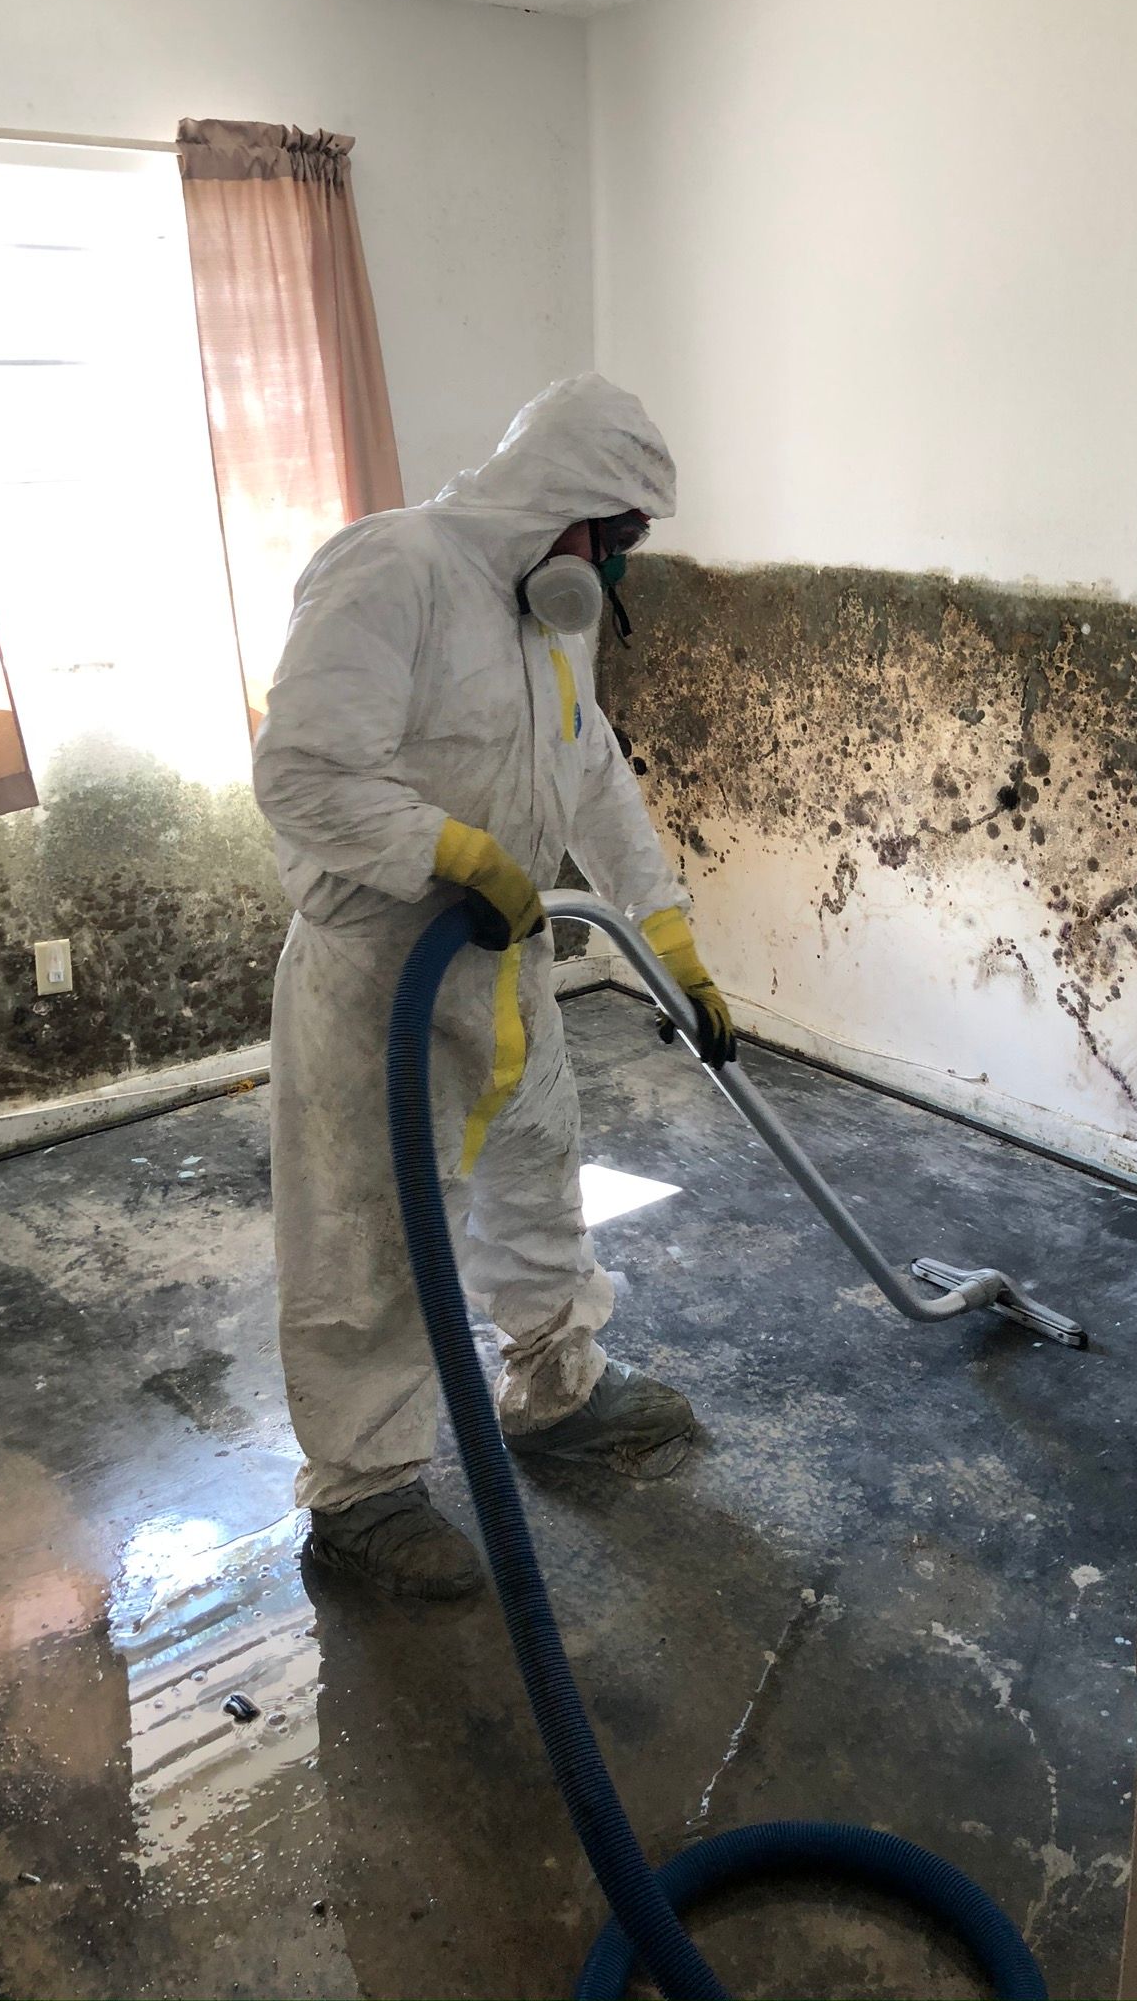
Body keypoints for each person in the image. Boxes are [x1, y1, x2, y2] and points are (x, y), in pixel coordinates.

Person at [253, 374, 736, 1601]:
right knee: (369, 1236)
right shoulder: (391, 572)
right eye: (616, 539)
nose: (617, 570)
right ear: (558, 504)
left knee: (537, 1176)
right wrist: (451, 854)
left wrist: (668, 936)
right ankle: (363, 1495)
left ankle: (558, 1383)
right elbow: (303, 771)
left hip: (509, 970)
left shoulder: (551, 615)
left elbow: (594, 780)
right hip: (383, 983)